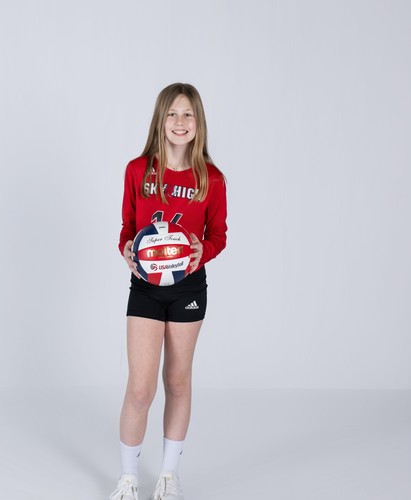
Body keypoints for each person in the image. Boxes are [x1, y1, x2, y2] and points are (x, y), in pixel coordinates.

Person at [109, 83, 227, 500]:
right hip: (145, 286)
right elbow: (127, 227)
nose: (180, 122)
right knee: (141, 388)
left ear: (198, 122)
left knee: (177, 382)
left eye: (188, 114)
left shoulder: (211, 178)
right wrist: (126, 247)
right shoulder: (138, 170)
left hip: (188, 288)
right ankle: (127, 479)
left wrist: (200, 251)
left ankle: (169, 476)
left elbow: (218, 235)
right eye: (172, 113)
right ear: (160, 120)